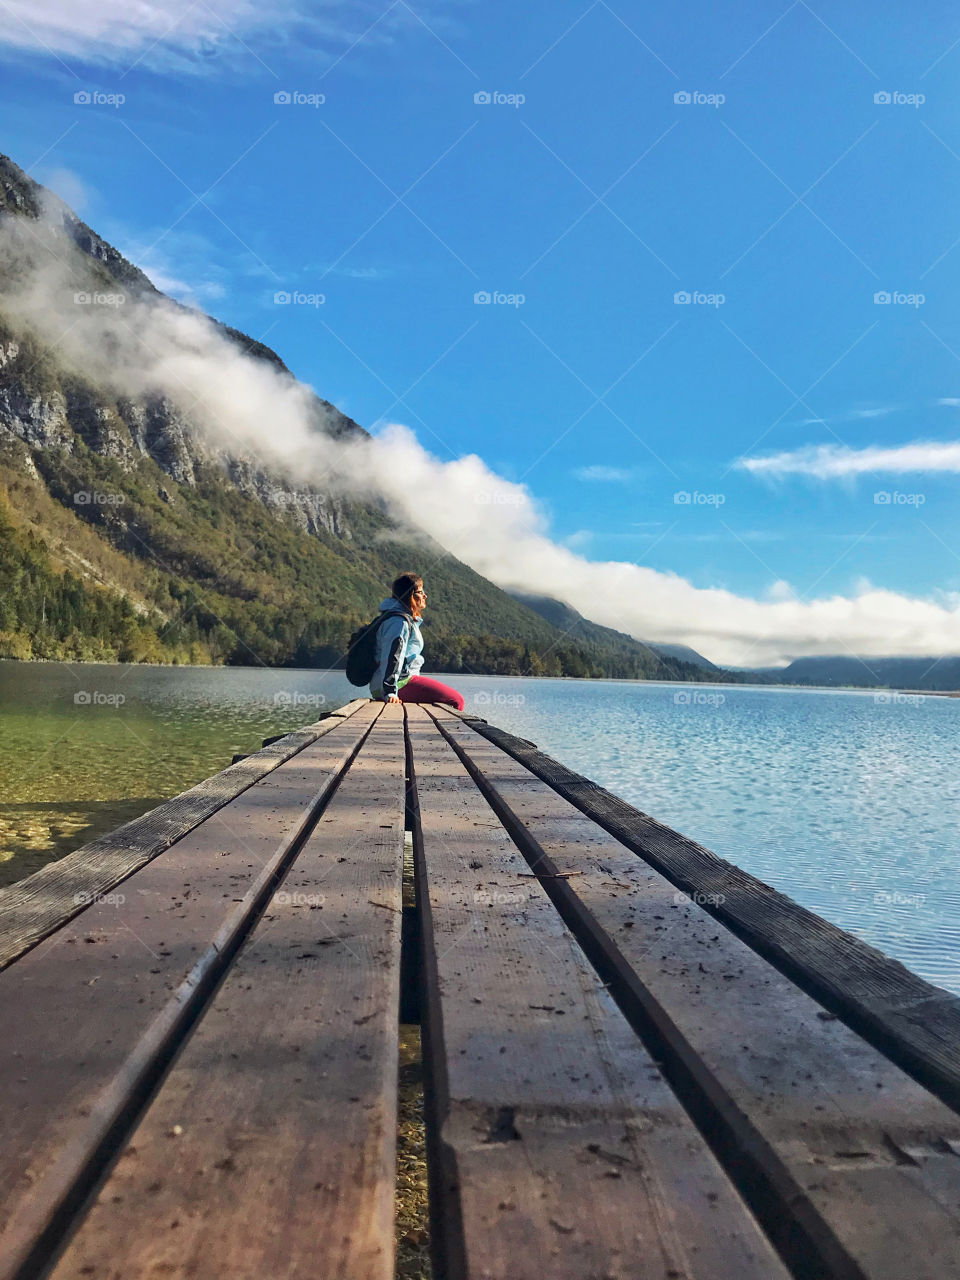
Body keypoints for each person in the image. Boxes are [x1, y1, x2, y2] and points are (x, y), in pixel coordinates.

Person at [370, 573, 465, 709]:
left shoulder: (401, 618)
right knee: (456, 701)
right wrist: (390, 692)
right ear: (410, 595)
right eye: (420, 592)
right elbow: (392, 657)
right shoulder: (399, 622)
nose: (425, 596)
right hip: (399, 683)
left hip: (397, 682)